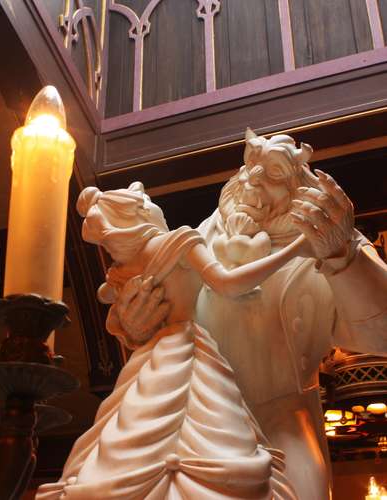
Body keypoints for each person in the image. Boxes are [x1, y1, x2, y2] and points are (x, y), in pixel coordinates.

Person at [104, 130, 387, 500]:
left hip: (285, 423)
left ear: (297, 185)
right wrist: (136, 327)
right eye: (250, 165)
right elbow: (168, 317)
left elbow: (380, 334)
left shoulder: (330, 237)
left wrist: (342, 256)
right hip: (200, 416)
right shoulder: (200, 236)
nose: (253, 179)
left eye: (272, 173)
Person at [37, 181, 306, 499]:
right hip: (190, 350)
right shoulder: (180, 242)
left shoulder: (122, 270)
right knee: (217, 434)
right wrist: (296, 249)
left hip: (149, 361)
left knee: (131, 434)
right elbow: (229, 284)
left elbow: (105, 298)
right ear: (142, 212)